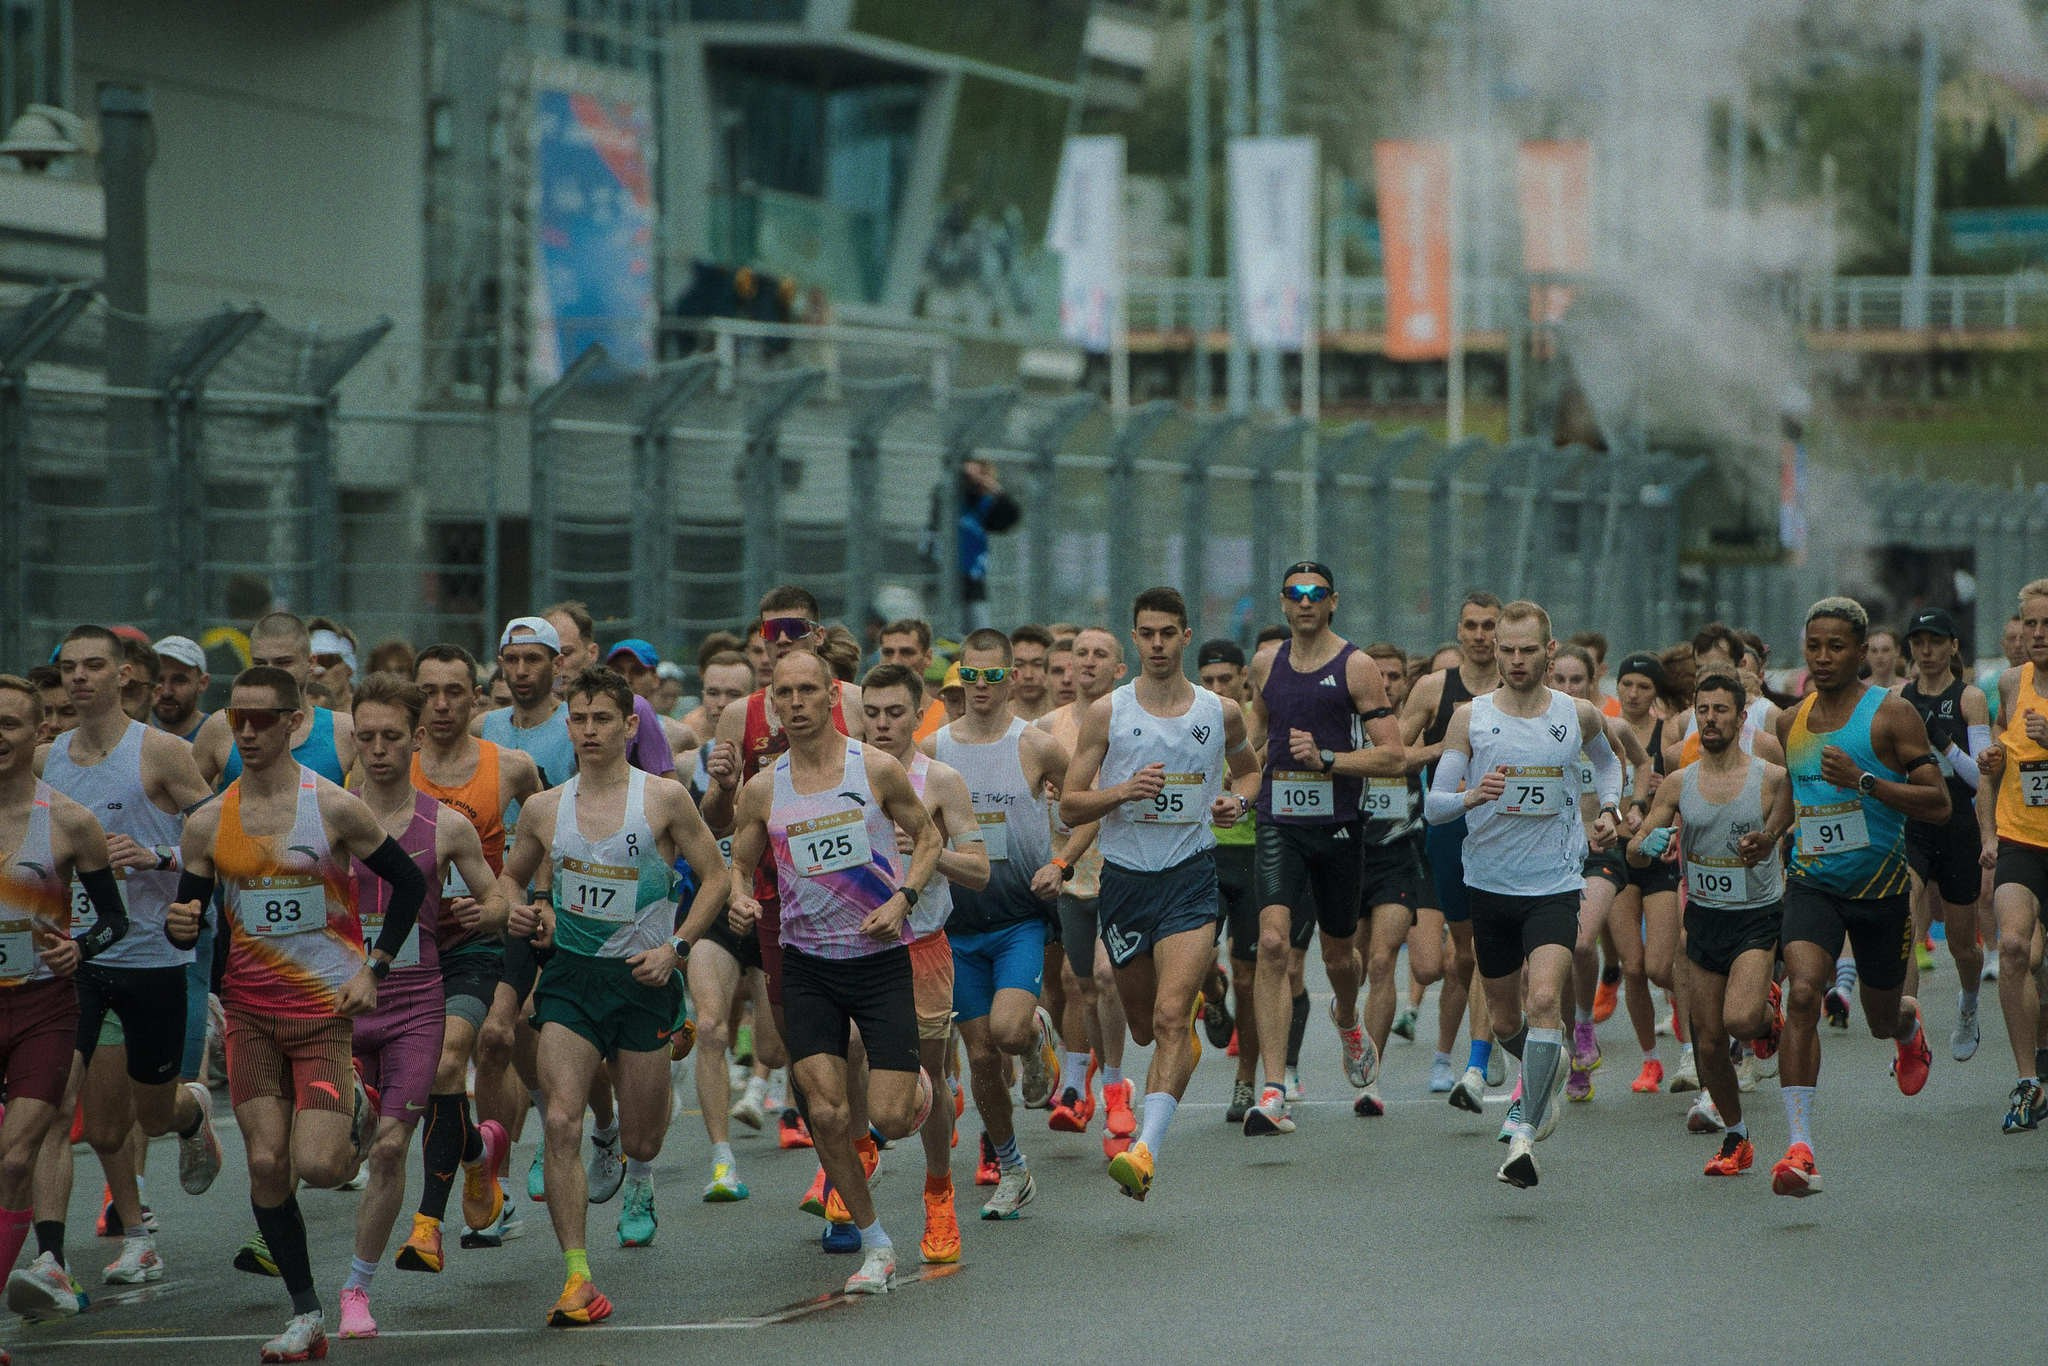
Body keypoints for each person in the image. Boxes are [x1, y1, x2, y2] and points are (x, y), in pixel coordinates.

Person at [163, 664, 428, 1362]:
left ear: (292, 721)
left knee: (318, 1166)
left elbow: (407, 883)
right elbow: (187, 917)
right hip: (249, 1014)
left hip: (321, 1011)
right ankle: (307, 1315)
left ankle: (360, 1108)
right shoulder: (205, 823)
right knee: (266, 1160)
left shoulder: (334, 807)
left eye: (262, 719)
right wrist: (180, 929)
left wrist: (376, 967)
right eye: (236, 719)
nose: (246, 731)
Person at [496, 666, 726, 1326]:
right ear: (567, 726)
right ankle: (577, 1278)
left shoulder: (663, 799)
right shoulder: (546, 807)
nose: (589, 730)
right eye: (579, 718)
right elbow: (508, 880)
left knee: (645, 1141)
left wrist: (676, 947)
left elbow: (713, 878)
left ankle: (638, 1154)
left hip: (644, 982)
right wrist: (520, 909)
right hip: (571, 979)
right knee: (561, 1120)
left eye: (603, 719)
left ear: (629, 728)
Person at [724, 649, 941, 1294]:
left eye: (806, 691)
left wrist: (903, 898)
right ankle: (875, 1245)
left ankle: (923, 1089)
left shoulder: (873, 769)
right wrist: (738, 896)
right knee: (824, 1111)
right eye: (783, 692)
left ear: (828, 696)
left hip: (878, 962)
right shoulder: (763, 789)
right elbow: (738, 863)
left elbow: (927, 837)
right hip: (808, 965)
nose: (794, 703)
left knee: (893, 1118)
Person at [35, 626, 222, 1294]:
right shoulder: (46, 759)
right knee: (74, 1113)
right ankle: (82, 1253)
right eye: (70, 669)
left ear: (123, 676)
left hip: (153, 955)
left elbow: (217, 833)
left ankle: (191, 1109)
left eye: (94, 667)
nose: (80, 678)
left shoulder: (163, 752)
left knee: (146, 1116)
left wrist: (161, 857)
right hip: (79, 959)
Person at [1060, 588, 1259, 1199]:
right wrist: (1121, 792)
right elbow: (1071, 804)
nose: (1156, 645)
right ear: (1136, 637)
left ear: (1186, 635)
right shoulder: (1108, 713)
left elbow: (1249, 769)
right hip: (1124, 883)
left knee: (1172, 1017)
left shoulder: (1218, 711)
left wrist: (1238, 800)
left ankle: (1145, 1149)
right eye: (1145, 634)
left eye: (1167, 633)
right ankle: (1201, 1002)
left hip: (1191, 877)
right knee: (1146, 1028)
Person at [1425, 600, 1623, 1189]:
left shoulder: (1578, 714)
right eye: (1506, 650)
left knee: (1543, 1002)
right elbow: (1433, 808)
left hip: (1557, 885)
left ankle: (1523, 1134)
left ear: (1549, 651)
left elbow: (1609, 768)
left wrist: (1610, 808)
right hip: (1489, 886)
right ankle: (1544, 1071)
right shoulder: (1471, 718)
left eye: (1526, 650)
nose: (1513, 660)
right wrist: (1470, 797)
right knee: (1508, 1017)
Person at [336, 674, 505, 1339]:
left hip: (414, 1001)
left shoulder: (447, 826)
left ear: (414, 738)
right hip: (341, 1002)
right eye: (366, 737)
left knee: (385, 1150)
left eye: (391, 737)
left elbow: (498, 902)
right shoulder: (327, 815)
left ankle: (356, 1290)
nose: (378, 750)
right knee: (331, 1156)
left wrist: (478, 908)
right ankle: (475, 1146)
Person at [1770, 597, 1950, 1197]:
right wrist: (1767, 835)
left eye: (1836, 647)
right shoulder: (1788, 722)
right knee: (1802, 993)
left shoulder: (1890, 716)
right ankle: (1801, 1148)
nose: (1822, 658)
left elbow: (1939, 803)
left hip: (1880, 893)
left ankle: (1906, 1028)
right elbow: (1794, 798)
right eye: (1813, 646)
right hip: (1812, 883)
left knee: (1879, 1019)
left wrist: (1866, 781)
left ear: (1861, 650)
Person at [1241, 562, 1406, 1134]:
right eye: (1294, 594)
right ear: (1282, 603)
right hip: (1278, 821)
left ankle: (1347, 1021)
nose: (1304, 602)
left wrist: (1330, 760)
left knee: (1340, 958)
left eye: (1315, 594)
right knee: (1271, 943)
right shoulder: (1267, 663)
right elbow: (1251, 743)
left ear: (1332, 602)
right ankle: (1273, 1086)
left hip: (1338, 824)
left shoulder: (1356, 666)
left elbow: (1393, 757)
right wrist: (1236, 793)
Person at [398, 645, 540, 1264]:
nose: (441, 704)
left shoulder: (510, 766)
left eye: (454, 691)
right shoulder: (385, 770)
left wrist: (533, 902)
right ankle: (480, 1158)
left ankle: (427, 1224)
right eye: (428, 692)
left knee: (455, 1058)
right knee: (431, 1078)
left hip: (480, 941)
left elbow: (552, 829)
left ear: (477, 698)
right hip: (408, 948)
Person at [927, 629, 1075, 1217]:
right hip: (956, 926)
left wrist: (1061, 862)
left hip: (1019, 916)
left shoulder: (1036, 747)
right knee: (982, 1054)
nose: (981, 687)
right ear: (959, 677)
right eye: (971, 676)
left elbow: (1084, 804)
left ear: (1012, 678)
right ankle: (1011, 1167)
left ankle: (1038, 1038)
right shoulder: (935, 749)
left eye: (993, 677)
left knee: (1009, 1033)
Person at [0, 675, 132, 1324]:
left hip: (43, 1007)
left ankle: (43, 1264)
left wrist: (80, 948)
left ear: (36, 736)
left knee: (20, 1150)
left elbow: (114, 921)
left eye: (11, 725)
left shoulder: (71, 822)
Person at [1627, 673, 1792, 1178]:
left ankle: (1768, 1018)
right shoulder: (1679, 781)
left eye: (1722, 710)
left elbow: (1788, 826)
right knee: (1708, 1040)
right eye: (1703, 710)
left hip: (1757, 916)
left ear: (1741, 718)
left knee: (1740, 1021)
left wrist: (1766, 839)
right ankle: (1737, 1137)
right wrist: (1646, 846)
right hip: (1703, 918)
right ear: (1694, 716)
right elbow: (1635, 851)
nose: (1711, 719)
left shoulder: (1770, 777)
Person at [860, 663, 989, 1262]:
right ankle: (850, 1162)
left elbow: (981, 871)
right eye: (873, 712)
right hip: (852, 945)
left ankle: (939, 1193)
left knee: (929, 1078)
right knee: (842, 1064)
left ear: (919, 715)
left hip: (923, 944)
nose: (883, 724)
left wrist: (929, 855)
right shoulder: (839, 774)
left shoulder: (940, 781)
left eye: (895, 713)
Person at [1400, 594, 1503, 1108]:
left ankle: (1479, 1059)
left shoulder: (1520, 689)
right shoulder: (1434, 688)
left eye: (1490, 626)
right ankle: (1476, 1042)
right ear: (1458, 632)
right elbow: (1393, 755)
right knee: (1463, 952)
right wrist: (1442, 750)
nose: (1481, 635)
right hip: (1447, 830)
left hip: (1506, 831)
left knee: (1489, 947)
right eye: (1472, 626)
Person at [1038, 629, 1129, 1150]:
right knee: (1080, 988)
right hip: (1069, 878)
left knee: (1100, 976)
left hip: (1118, 868)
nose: (1087, 662)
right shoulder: (1048, 730)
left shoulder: (1131, 721)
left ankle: (1109, 1083)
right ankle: (1084, 1080)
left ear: (1119, 669)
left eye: (1101, 654)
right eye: (1080, 654)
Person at [1896, 609, 1991, 1062]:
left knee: (1961, 945)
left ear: (1953, 645)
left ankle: (1969, 1004)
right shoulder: (1899, 698)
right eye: (1918, 642)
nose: (1926, 650)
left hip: (1958, 827)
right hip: (1914, 822)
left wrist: (1943, 743)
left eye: (1935, 641)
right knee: (1906, 921)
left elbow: (1980, 778)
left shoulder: (1969, 698)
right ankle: (1909, 1031)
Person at [1980, 581, 2048, 1133]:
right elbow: (2001, 761)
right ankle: (2028, 1080)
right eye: (2030, 624)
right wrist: (1993, 756)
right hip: (2021, 838)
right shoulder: (2010, 683)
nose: (2039, 634)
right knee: (2014, 945)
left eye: (2047, 624)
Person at [193, 612, 356, 788]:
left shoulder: (344, 732)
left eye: (283, 663)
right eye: (260, 664)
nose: (271, 673)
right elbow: (189, 806)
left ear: (311, 662)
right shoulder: (222, 727)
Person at [544, 604, 674, 779]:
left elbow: (666, 788)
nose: (558, 664)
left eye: (566, 653)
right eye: (549, 655)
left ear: (592, 652)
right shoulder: (516, 718)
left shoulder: (638, 707)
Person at [149, 636, 211, 742]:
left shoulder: (217, 738)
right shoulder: (133, 737)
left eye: (179, 680)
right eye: (158, 679)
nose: (166, 692)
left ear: (202, 683)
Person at [1008, 625, 1057, 724]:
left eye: (1037, 664)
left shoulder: (1066, 718)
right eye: (1019, 665)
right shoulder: (995, 719)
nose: (1028, 675)